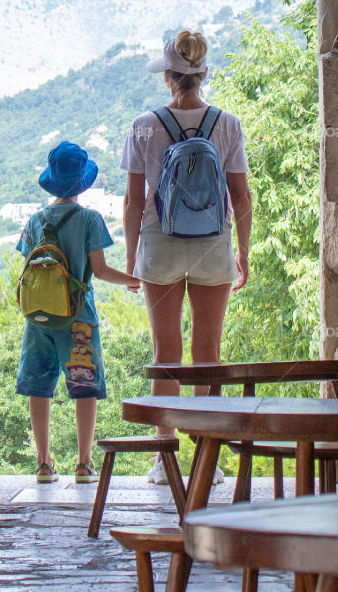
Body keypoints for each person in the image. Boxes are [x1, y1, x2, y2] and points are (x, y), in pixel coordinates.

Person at [121, 30, 252, 484]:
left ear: (169, 77)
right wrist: (244, 252)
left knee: (166, 353)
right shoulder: (228, 123)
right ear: (203, 74)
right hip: (214, 246)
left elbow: (134, 201)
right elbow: (241, 197)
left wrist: (131, 256)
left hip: (159, 247)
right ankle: (206, 458)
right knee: (207, 353)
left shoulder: (143, 124)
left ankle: (164, 457)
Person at [16, 140, 141, 484]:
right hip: (78, 317)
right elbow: (99, 271)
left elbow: (30, 267)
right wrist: (134, 279)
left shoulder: (35, 219)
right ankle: (84, 464)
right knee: (84, 386)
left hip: (38, 315)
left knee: (39, 387)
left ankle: (43, 464)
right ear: (82, 183)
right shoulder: (89, 219)